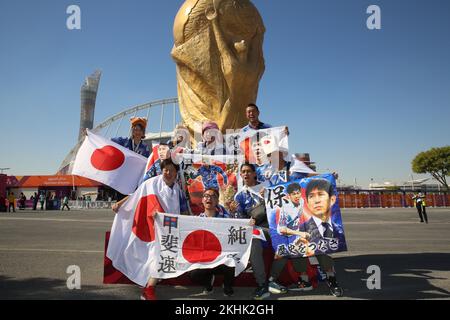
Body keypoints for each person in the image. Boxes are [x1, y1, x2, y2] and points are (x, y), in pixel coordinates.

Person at [112, 158, 184, 300]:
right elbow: (137, 195)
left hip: (168, 229)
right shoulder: (152, 183)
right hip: (150, 226)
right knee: (155, 256)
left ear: (176, 173)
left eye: (171, 170)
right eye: (166, 170)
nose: (168, 173)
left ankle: (149, 288)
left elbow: (180, 210)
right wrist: (119, 204)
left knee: (161, 256)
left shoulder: (177, 190)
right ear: (162, 170)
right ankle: (149, 289)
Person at [296, 178, 345, 296]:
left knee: (322, 245)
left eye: (320, 195)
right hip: (303, 231)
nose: (316, 200)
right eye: (311, 196)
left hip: (323, 233)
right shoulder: (301, 224)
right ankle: (304, 280)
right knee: (295, 246)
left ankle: (331, 278)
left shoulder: (334, 224)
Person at [228, 163, 270, 300]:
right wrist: (234, 212)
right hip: (254, 230)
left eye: (248, 171)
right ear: (240, 175)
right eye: (243, 172)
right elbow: (240, 219)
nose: (245, 174)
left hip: (271, 227)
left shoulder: (267, 187)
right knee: (253, 241)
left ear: (254, 173)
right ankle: (262, 284)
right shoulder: (239, 195)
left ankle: (273, 278)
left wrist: (269, 197)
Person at [189, 189, 235, 297]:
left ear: (217, 201)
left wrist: (249, 223)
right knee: (193, 274)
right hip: (205, 259)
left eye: (212, 196)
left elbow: (238, 228)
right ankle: (208, 284)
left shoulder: (226, 217)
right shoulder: (196, 220)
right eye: (206, 196)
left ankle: (227, 285)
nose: (209, 198)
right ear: (202, 200)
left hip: (222, 258)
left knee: (232, 262)